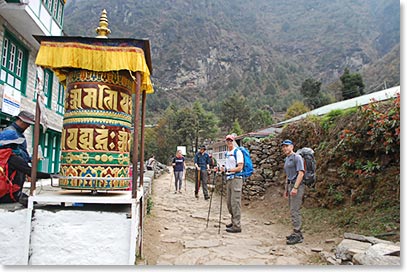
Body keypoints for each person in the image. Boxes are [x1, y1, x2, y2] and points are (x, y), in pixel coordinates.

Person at [0, 130, 52, 207]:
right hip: (9, 195)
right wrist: (50, 175)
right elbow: (31, 172)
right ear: (14, 145)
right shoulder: (14, 158)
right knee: (34, 205)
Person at [281, 139, 305, 245]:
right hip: (290, 185)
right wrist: (286, 189)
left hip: (297, 185)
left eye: (287, 146)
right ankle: (296, 232)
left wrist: (295, 188)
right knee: (292, 210)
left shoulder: (297, 157)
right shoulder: (287, 159)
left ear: (292, 146)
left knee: (295, 210)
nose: (285, 148)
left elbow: (301, 173)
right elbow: (288, 175)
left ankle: (297, 234)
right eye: (283, 146)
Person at [221, 134, 244, 233]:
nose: (229, 142)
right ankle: (233, 221)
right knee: (229, 203)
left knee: (235, 202)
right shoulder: (227, 153)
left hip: (236, 179)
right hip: (229, 178)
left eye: (230, 140)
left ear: (233, 141)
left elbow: (240, 167)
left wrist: (228, 170)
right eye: (227, 140)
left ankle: (237, 225)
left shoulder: (237, 152)